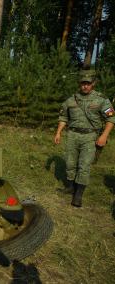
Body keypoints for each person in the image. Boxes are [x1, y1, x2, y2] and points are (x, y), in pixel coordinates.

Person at [54, 70, 115, 207]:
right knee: (70, 163)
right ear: (79, 84)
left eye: (88, 83)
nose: (85, 86)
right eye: (83, 83)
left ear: (93, 83)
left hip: (90, 136)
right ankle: (70, 187)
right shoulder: (71, 100)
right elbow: (64, 117)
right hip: (73, 135)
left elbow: (111, 118)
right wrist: (58, 133)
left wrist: (104, 136)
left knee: (84, 166)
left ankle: (78, 195)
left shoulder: (101, 100)